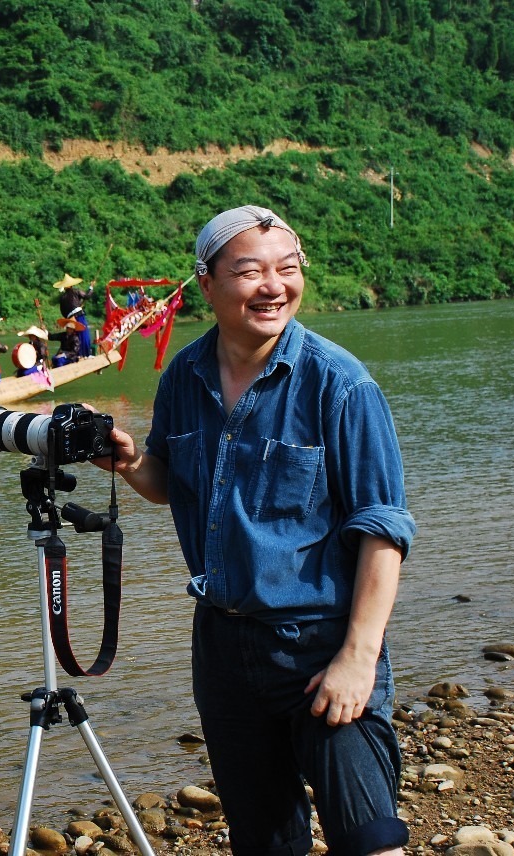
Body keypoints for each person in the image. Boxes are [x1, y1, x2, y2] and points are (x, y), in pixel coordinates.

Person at [94, 206, 415, 856]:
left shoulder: (341, 385)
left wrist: (357, 659)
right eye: (250, 272)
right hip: (222, 648)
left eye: (287, 270)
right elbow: (172, 482)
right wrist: (130, 463)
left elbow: (383, 530)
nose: (274, 286)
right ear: (207, 284)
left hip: (320, 646)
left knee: (371, 840)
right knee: (265, 843)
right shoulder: (185, 375)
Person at [55, 273, 95, 357]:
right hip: (79, 316)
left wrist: (70, 317)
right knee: (84, 334)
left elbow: (63, 311)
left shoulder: (62, 298)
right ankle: (86, 354)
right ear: (71, 285)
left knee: (75, 336)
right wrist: (91, 288)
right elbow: (87, 296)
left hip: (70, 318)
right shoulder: (76, 291)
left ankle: (78, 354)